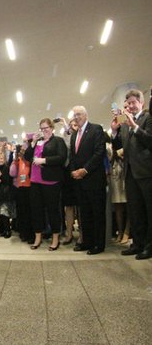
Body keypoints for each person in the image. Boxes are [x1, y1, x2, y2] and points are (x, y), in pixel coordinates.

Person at [111, 89, 152, 260]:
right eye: (128, 104)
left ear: (141, 102)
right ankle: (137, 244)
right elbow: (118, 146)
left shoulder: (148, 118)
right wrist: (114, 131)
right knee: (135, 211)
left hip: (146, 172)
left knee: (149, 211)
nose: (131, 106)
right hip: (129, 173)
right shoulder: (126, 124)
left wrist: (134, 126)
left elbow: (149, 140)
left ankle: (149, 247)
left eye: (134, 102)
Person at [68, 106, 107, 254]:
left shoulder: (96, 129)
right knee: (84, 215)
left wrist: (84, 170)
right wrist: (73, 171)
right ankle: (87, 242)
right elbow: (72, 156)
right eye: (74, 115)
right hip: (79, 182)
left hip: (94, 180)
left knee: (97, 213)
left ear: (85, 115)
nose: (76, 117)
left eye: (78, 114)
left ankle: (98, 244)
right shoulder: (74, 135)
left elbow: (99, 152)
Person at [24, 118, 67, 251]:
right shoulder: (37, 143)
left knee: (53, 210)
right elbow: (27, 157)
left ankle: (55, 238)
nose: (44, 131)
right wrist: (33, 143)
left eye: (46, 128)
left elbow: (61, 158)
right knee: (36, 210)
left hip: (51, 181)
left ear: (52, 128)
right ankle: (38, 237)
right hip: (35, 181)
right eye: (41, 129)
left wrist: (44, 160)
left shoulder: (58, 141)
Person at [10, 142, 32, 243]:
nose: (22, 152)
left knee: (29, 213)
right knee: (21, 212)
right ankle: (23, 233)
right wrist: (15, 161)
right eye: (21, 150)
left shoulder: (29, 160)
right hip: (19, 188)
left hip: (29, 188)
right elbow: (12, 173)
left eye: (24, 150)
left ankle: (30, 234)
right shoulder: (17, 161)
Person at [0, 152, 14, 238]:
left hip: (6, 193)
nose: (0, 160)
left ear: (4, 159)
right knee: (1, 213)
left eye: (1, 159)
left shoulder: (7, 168)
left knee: (4, 213)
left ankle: (8, 231)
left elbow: (8, 181)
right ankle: (3, 230)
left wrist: (0, 176)